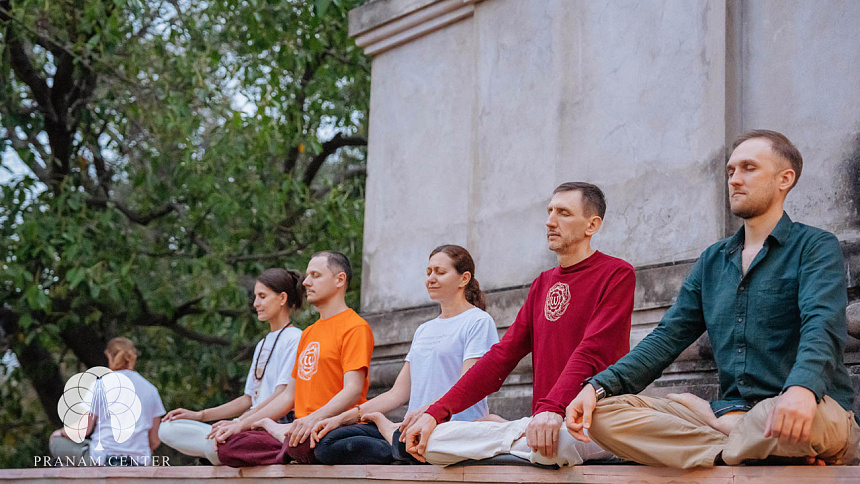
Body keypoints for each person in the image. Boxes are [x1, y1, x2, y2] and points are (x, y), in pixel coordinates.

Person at [566, 130, 860, 468]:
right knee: (603, 416)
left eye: (748, 168)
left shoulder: (815, 246)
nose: (735, 179)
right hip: (741, 411)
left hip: (812, 407)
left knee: (793, 419)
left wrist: (801, 390)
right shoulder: (713, 260)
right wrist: (598, 388)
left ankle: (722, 430)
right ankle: (739, 445)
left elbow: (822, 325)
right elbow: (666, 338)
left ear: (785, 179)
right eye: (731, 171)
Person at [402, 182, 635, 465]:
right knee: (433, 440)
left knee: (555, 444)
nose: (550, 221)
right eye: (549, 211)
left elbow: (592, 350)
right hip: (541, 423)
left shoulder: (617, 274)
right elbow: (501, 356)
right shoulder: (542, 283)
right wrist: (436, 412)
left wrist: (552, 408)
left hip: (591, 421)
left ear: (591, 225)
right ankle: (517, 436)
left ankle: (515, 436)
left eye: (563, 213)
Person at [311, 244, 500, 465]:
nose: (431, 278)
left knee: (406, 441)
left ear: (463, 278)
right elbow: (397, 394)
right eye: (428, 272)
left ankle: (397, 441)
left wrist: (424, 414)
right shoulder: (424, 330)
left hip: (448, 429)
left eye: (440, 272)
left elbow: (467, 386)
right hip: (412, 428)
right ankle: (396, 442)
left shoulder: (478, 322)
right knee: (328, 443)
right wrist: (341, 418)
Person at [214, 251, 374, 465]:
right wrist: (241, 424)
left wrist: (312, 419)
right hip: (300, 430)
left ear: (340, 280)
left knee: (316, 443)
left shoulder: (355, 327)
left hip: (334, 427)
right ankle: (287, 445)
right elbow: (289, 395)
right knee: (228, 445)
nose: (306, 282)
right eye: (307, 276)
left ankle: (289, 444)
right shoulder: (308, 333)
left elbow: (353, 390)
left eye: (315, 275)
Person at [158, 268, 305, 465]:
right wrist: (200, 415)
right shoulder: (263, 343)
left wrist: (239, 423)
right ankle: (216, 447)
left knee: (217, 445)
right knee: (167, 429)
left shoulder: (296, 339)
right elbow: (248, 399)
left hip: (269, 428)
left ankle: (218, 448)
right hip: (245, 425)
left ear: (282, 298)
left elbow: (281, 395)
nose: (256, 304)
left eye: (262, 296)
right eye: (255, 297)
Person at [49, 337, 166, 466]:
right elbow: (155, 440)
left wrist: (61, 433)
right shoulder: (151, 390)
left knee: (57, 442)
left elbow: (84, 429)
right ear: (133, 358)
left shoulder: (100, 385)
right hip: (139, 461)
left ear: (110, 357)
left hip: (104, 459)